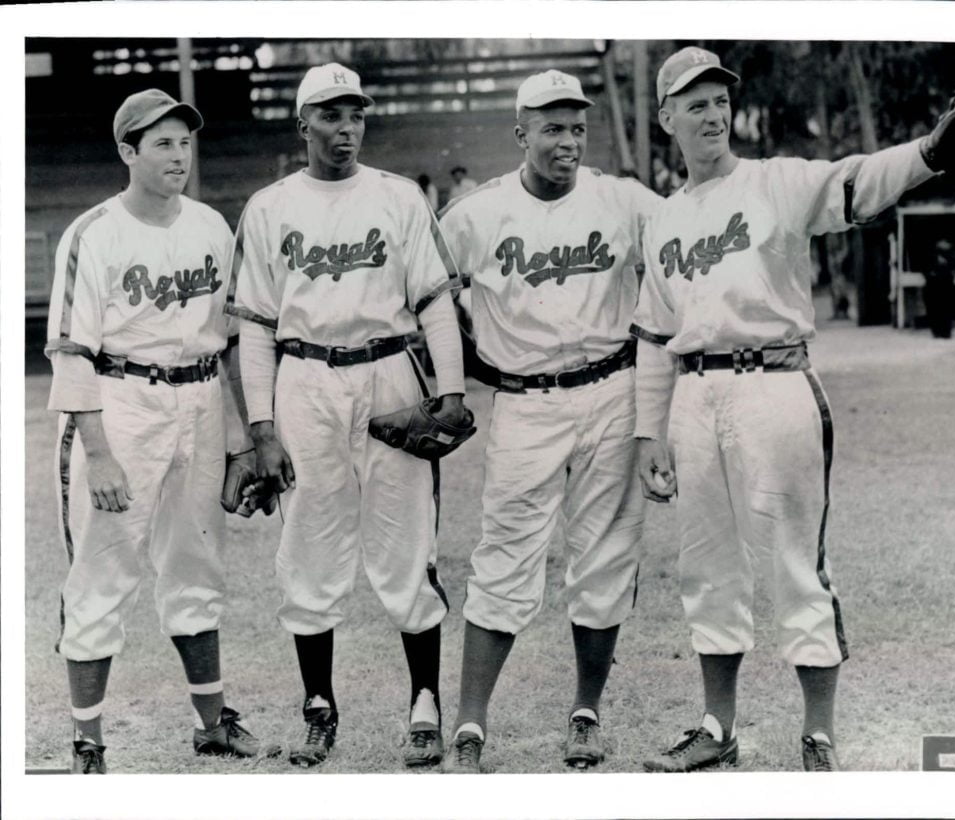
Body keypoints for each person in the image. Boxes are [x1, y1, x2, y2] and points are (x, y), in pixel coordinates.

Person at [632, 46, 955, 773]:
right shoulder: (662, 219)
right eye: (695, 102)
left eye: (719, 99)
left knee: (795, 566)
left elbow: (858, 181)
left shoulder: (774, 181)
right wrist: (647, 432)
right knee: (706, 566)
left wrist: (931, 151)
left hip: (774, 383)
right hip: (693, 392)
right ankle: (717, 727)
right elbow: (654, 335)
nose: (712, 112)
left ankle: (818, 734)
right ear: (667, 120)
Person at [226, 63, 469, 769]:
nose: (345, 129)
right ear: (303, 124)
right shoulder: (270, 207)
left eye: (356, 115)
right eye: (330, 116)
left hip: (390, 371)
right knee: (308, 540)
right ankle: (319, 706)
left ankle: (425, 702)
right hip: (305, 378)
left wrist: (449, 392)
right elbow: (256, 328)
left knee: (406, 539)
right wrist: (263, 429)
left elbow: (433, 302)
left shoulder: (397, 196)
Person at [437, 69, 662, 773]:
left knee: (605, 556)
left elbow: (685, 252)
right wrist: (454, 376)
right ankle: (471, 723)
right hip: (525, 401)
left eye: (576, 128)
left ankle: (586, 711)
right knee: (504, 554)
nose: (567, 141)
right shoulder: (476, 214)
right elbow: (423, 293)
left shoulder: (623, 200)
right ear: (521, 134)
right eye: (552, 128)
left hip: (611, 387)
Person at [44, 88, 268, 774]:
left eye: (184, 141)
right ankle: (89, 742)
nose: (178, 154)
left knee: (196, 565)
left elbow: (227, 344)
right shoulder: (94, 232)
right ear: (127, 152)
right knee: (102, 573)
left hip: (199, 401)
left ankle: (211, 725)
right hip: (123, 401)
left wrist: (239, 441)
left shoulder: (209, 226)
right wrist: (100, 454)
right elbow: (70, 350)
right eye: (161, 142)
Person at [923, 238, 955, 338]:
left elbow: (953, 270)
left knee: (944, 309)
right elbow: (926, 271)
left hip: (944, 286)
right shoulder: (931, 257)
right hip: (935, 286)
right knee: (936, 309)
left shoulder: (950, 257)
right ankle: (938, 332)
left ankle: (944, 332)